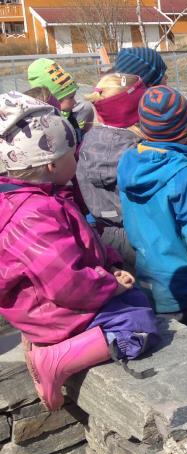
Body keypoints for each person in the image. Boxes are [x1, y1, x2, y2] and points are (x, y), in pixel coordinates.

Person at [0, 91, 158, 411]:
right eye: (74, 153)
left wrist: (110, 265)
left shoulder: (45, 197)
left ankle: (43, 342)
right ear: (52, 163)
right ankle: (53, 359)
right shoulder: (31, 214)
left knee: (137, 299)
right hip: (52, 308)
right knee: (140, 325)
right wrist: (110, 285)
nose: (78, 158)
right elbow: (65, 282)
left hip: (46, 304)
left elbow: (83, 244)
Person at [118, 86, 187, 327]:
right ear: (185, 128)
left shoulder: (127, 162)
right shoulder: (184, 175)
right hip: (185, 288)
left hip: (147, 279)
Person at [77, 73, 146, 267]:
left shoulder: (86, 144)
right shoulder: (138, 150)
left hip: (104, 237)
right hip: (142, 235)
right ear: (136, 108)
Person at [27, 58, 95, 140]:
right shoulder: (46, 127)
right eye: (71, 97)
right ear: (54, 100)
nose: (75, 101)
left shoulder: (69, 113)